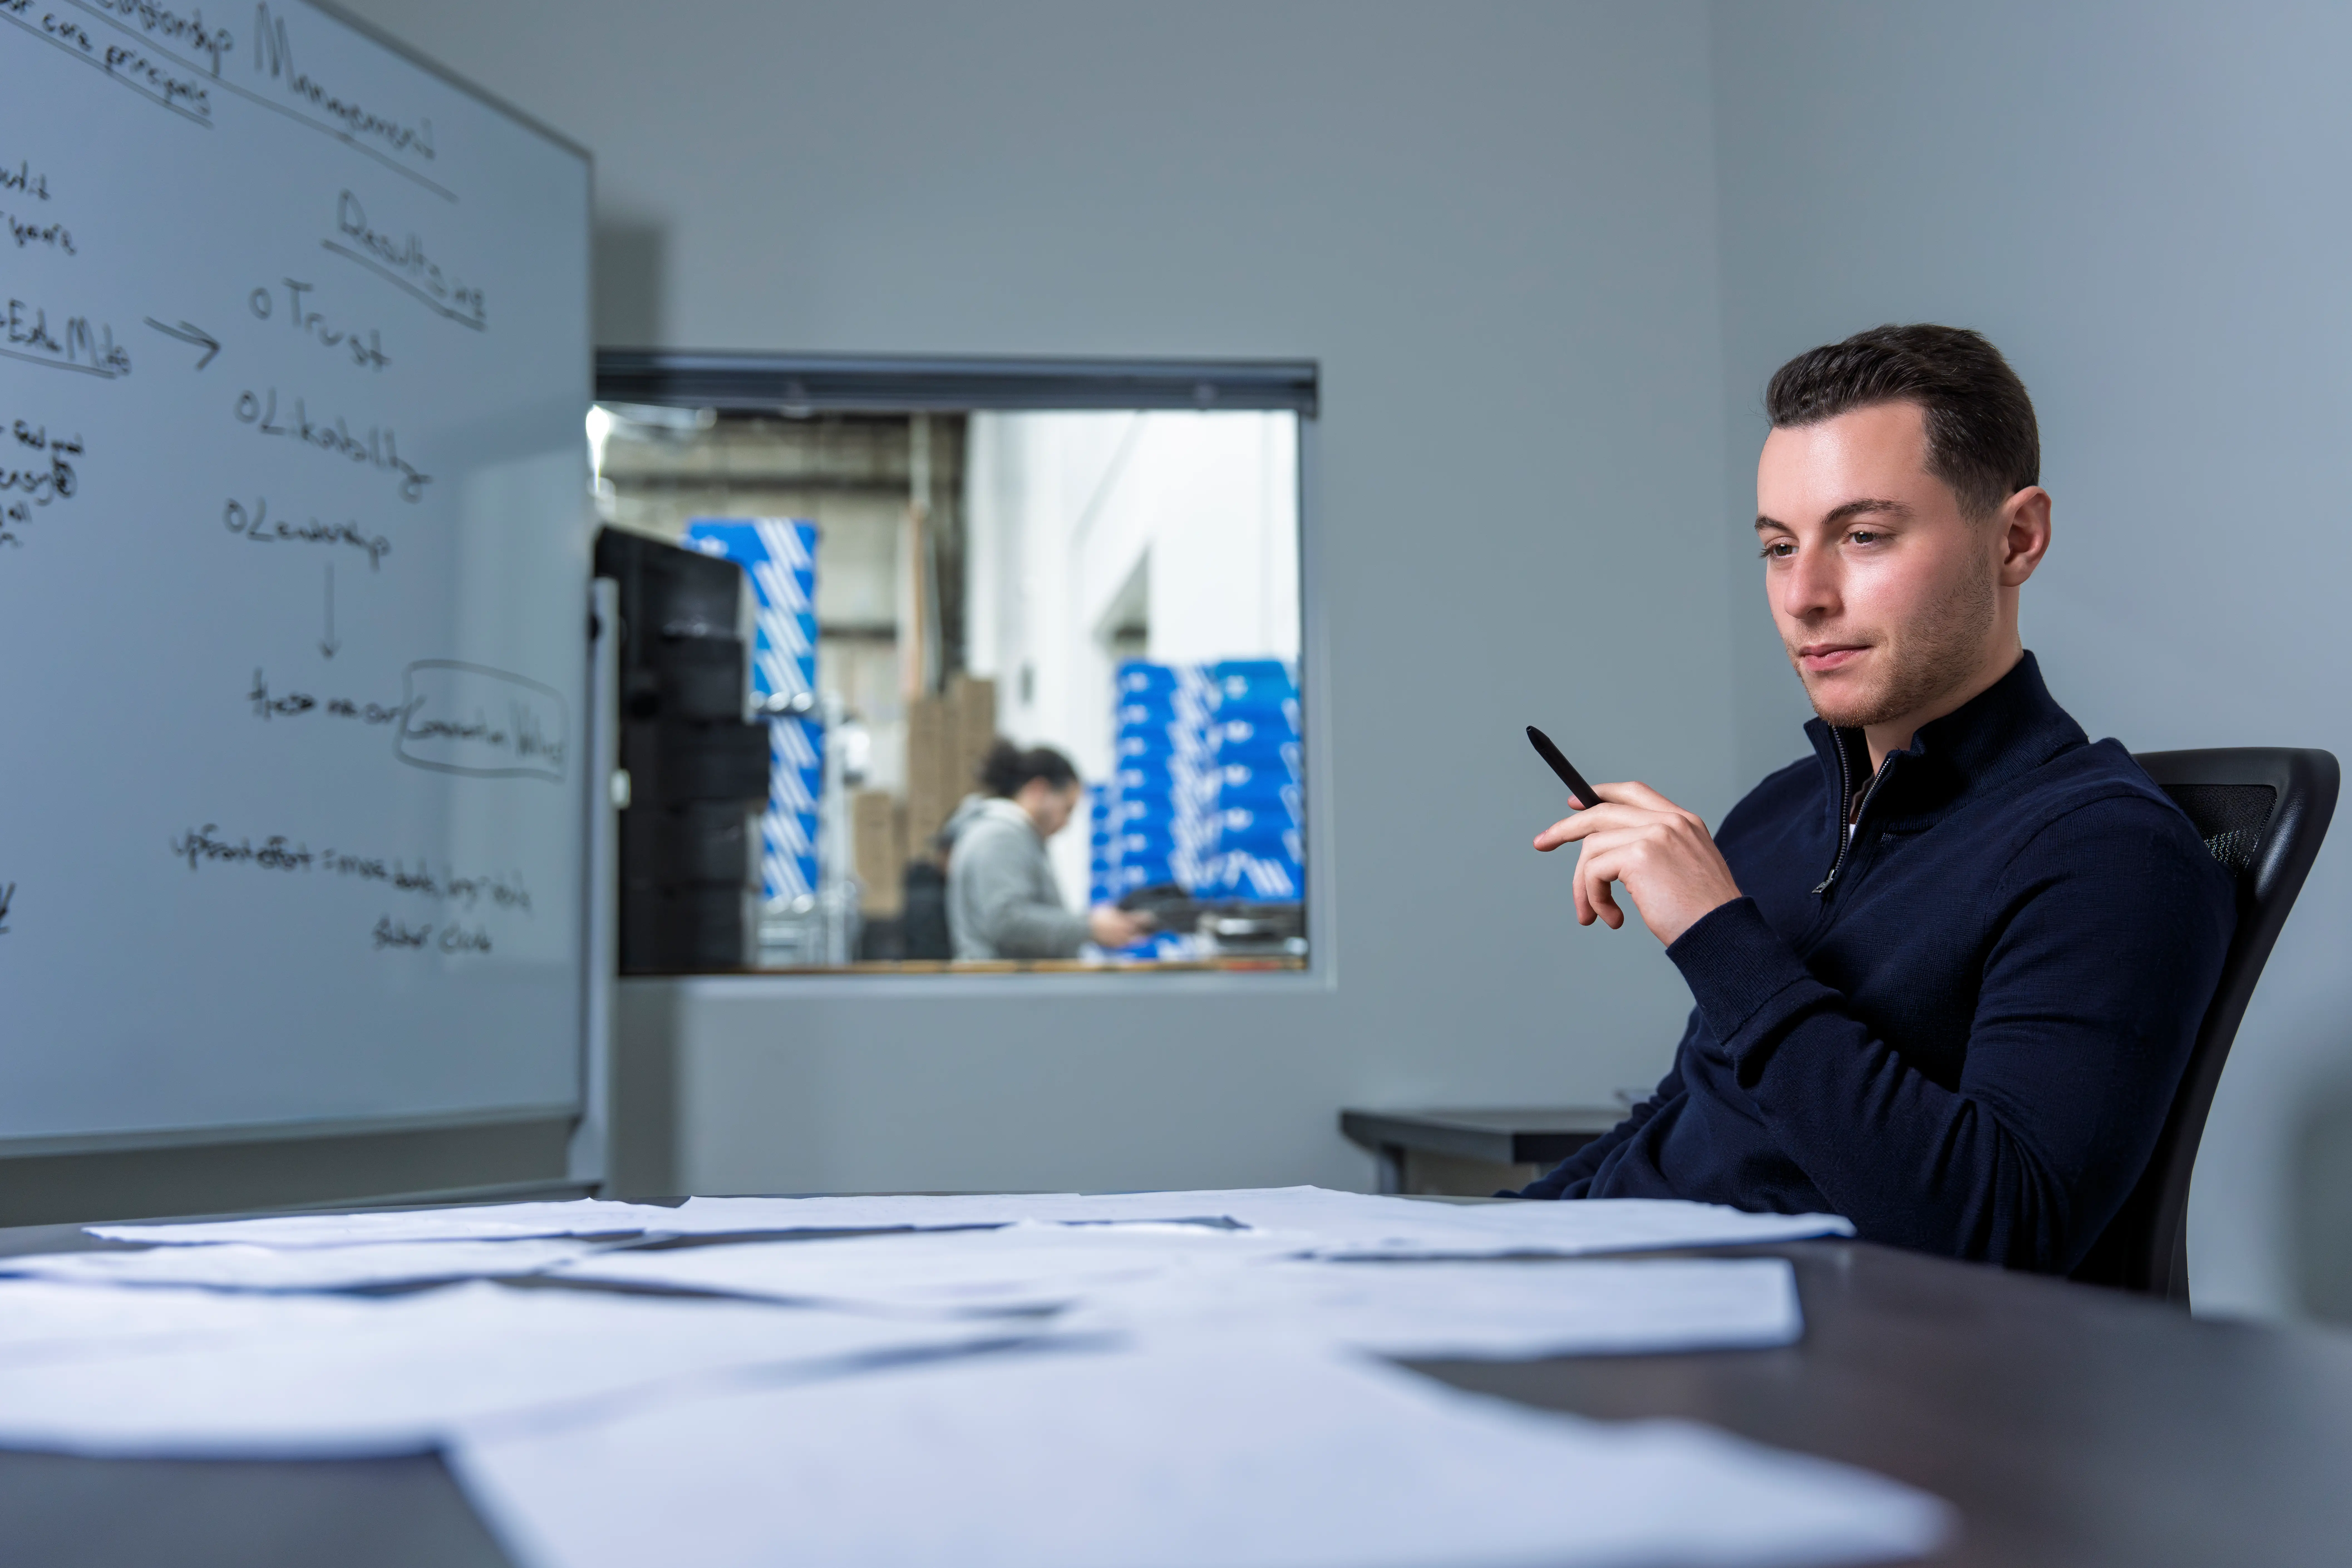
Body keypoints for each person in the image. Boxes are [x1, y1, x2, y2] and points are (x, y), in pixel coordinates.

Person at [1513, 324, 2236, 1275]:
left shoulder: (2108, 851)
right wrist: (1479, 1240)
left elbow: (2000, 1233)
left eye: (1862, 536)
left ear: (2016, 539)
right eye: (1779, 547)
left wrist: (1717, 934)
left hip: (1826, 1352)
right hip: (1632, 1301)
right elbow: (1686, 1120)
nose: (1803, 596)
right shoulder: (1777, 815)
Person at [943, 740, 1151, 960]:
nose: (1066, 823)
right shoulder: (1001, 837)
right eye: (1067, 809)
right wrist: (1090, 927)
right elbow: (1007, 921)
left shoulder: (1003, 835)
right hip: (1002, 979)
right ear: (1038, 790)